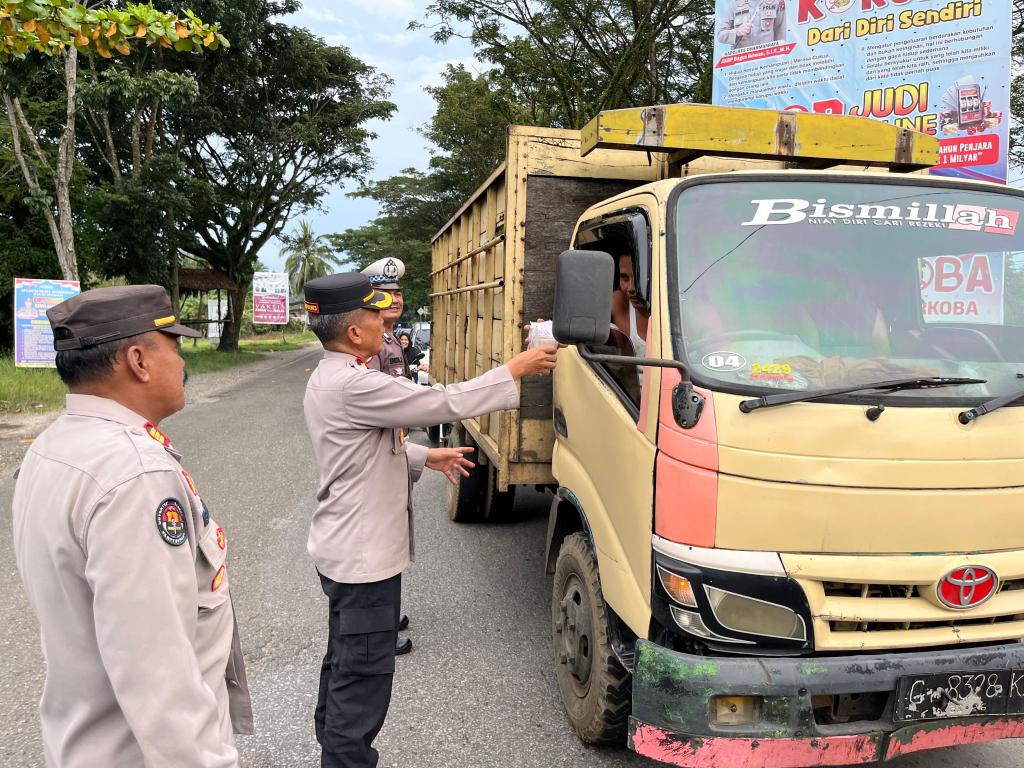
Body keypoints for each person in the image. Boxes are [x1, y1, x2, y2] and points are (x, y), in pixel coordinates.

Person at [302, 272, 557, 768]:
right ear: (354, 331)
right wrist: (513, 370)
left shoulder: (332, 375)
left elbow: (359, 449)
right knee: (363, 680)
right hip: (362, 561)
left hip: (346, 552)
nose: (383, 320)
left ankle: (334, 749)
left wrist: (423, 457)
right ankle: (343, 758)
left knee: (345, 664)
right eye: (375, 313)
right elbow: (438, 402)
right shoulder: (355, 383)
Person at [11, 285, 253, 768]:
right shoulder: (135, 474)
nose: (182, 363)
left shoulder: (53, 445)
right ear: (138, 361)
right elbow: (158, 674)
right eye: (175, 347)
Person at [361, 257, 408, 378]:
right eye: (385, 295)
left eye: (397, 294)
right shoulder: (370, 343)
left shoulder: (393, 338)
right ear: (370, 299)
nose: (394, 300)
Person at [613, 253, 650, 358]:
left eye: (639, 279)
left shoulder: (678, 308)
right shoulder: (618, 302)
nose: (631, 288)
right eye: (625, 278)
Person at [717, 0, 786, 50]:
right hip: (741, 60)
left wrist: (779, 57)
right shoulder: (734, 5)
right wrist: (737, 32)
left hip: (767, 59)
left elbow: (780, 32)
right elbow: (720, 35)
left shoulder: (777, 2)